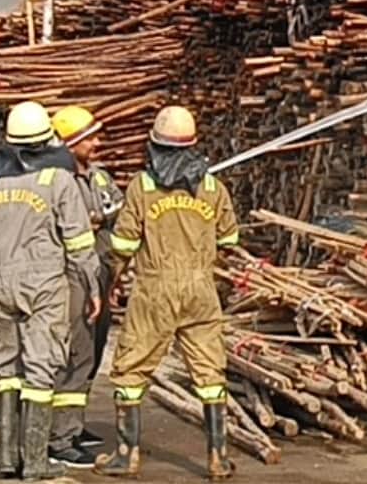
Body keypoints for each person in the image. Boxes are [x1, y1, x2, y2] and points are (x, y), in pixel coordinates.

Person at [0, 101, 102, 480]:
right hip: (44, 285)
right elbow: (79, 243)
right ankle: (36, 464)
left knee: (6, 369)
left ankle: (7, 459)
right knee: (41, 369)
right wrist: (93, 287)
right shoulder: (58, 181)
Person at [97, 105, 241, 479]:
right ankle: (218, 458)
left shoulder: (142, 188)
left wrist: (111, 283)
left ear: (155, 145)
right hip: (200, 289)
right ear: (193, 145)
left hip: (154, 290)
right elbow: (229, 239)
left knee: (131, 370)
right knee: (210, 372)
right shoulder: (212, 187)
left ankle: (125, 456)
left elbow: (124, 246)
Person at [50, 104, 126, 461]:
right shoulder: (57, 181)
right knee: (75, 356)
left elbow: (119, 216)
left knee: (93, 356)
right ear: (70, 142)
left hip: (101, 275)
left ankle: (74, 423)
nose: (97, 143)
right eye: (89, 138)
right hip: (72, 280)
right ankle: (59, 437)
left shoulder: (99, 177)